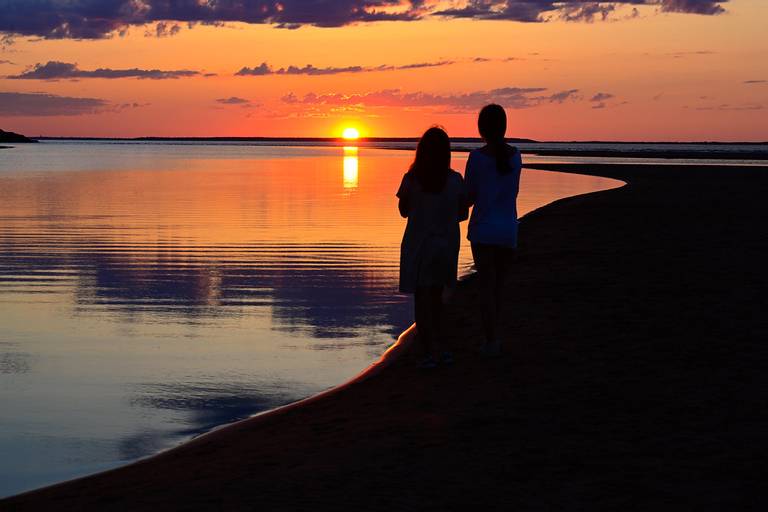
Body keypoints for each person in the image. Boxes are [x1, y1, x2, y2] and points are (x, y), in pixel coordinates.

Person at [397, 126, 467, 369]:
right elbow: (462, 213)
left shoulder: (411, 180)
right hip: (445, 247)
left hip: (418, 247)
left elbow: (403, 211)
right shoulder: (455, 180)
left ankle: (428, 352)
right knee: (438, 300)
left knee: (422, 301)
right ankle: (442, 349)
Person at [465, 104, 523, 356]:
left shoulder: (476, 158)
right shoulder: (516, 155)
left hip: (483, 230)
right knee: (498, 288)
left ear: (481, 129)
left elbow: (469, 196)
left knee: (486, 288)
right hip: (507, 230)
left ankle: (490, 340)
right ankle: (494, 337)